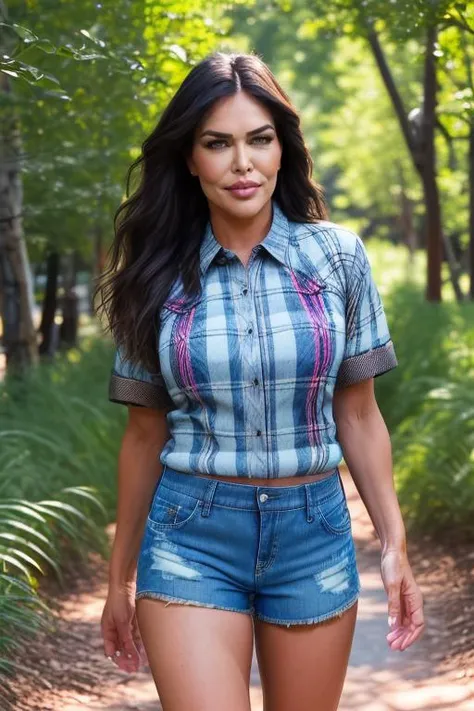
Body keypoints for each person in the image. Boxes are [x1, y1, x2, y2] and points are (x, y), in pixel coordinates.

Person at [96, 51, 425, 711]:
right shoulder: (156, 275)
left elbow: (358, 414)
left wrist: (394, 544)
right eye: (218, 144)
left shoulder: (337, 258)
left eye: (259, 139)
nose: (242, 163)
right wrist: (117, 580)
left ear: (282, 149)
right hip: (192, 533)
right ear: (190, 159)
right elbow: (143, 434)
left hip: (314, 536)